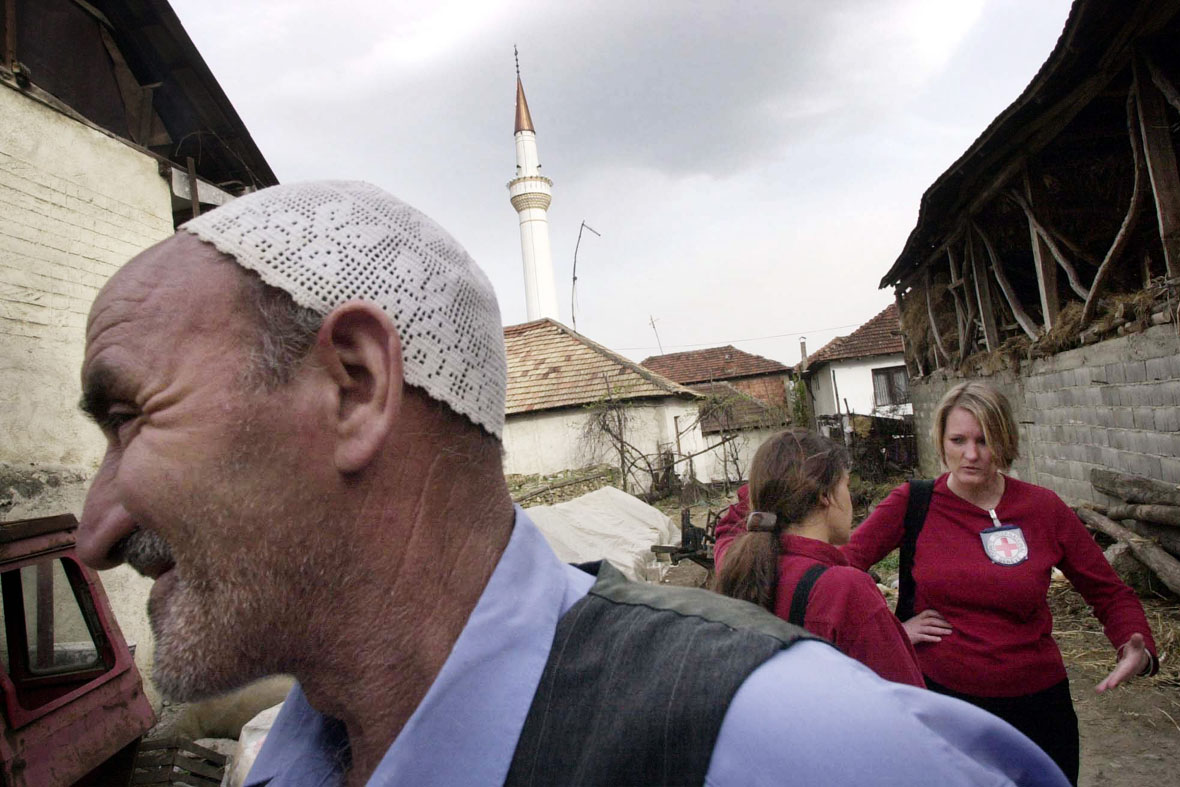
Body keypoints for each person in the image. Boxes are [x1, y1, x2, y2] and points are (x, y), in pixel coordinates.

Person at [76, 181, 1070, 787]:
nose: (93, 528)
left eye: (128, 419)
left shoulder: (786, 748)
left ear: (355, 388)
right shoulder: (296, 753)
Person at [843, 382, 1159, 785]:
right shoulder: (913, 503)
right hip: (944, 705)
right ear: (940, 439)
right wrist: (892, 631)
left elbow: (1109, 592)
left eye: (984, 441)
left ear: (1005, 440)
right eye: (958, 440)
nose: (971, 454)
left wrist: (1138, 646)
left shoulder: (1044, 508)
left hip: (1039, 708)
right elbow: (841, 573)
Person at [715, 430, 924, 687]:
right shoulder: (845, 589)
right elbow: (904, 704)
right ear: (824, 495)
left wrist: (772, 477)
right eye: (845, 485)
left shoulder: (745, 565)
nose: (850, 498)